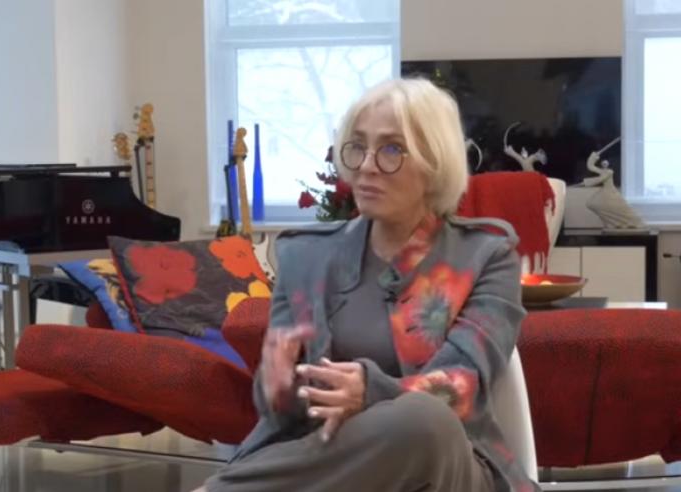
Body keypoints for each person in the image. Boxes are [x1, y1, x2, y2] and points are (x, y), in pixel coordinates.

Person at [197, 78, 538, 491]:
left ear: (434, 162)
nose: (366, 165)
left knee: (426, 420)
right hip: (333, 463)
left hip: (448, 465)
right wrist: (280, 386)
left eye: (391, 149)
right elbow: (283, 413)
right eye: (358, 146)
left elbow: (459, 388)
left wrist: (370, 390)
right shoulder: (304, 256)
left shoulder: (486, 256)